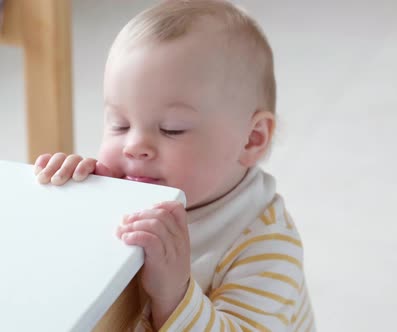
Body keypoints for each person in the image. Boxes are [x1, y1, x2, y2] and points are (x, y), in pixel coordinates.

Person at [33, 1, 315, 330]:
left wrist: (175, 295)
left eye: (172, 128)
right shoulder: (130, 189)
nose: (134, 145)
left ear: (251, 139)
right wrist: (74, 202)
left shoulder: (265, 247)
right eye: (119, 124)